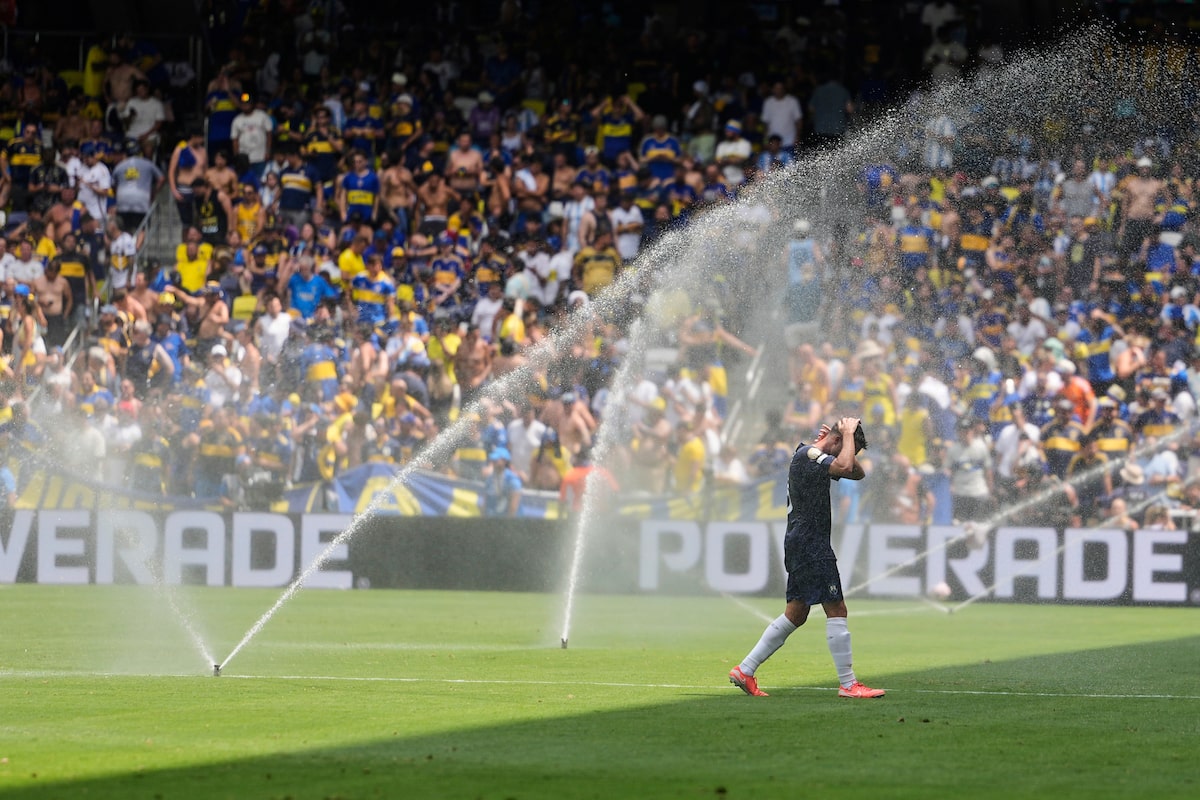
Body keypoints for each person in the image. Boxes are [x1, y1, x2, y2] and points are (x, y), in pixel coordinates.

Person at [729, 417, 885, 699]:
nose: (850, 452)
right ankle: (849, 684)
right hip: (811, 543)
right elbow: (847, 465)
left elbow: (856, 473)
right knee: (836, 608)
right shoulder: (811, 455)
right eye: (847, 445)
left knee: (796, 613)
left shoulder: (814, 455)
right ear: (837, 441)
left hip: (801, 541)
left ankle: (745, 669)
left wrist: (844, 438)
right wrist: (847, 434)